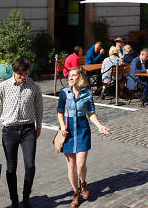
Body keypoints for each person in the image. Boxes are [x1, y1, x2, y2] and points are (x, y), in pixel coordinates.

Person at [0, 57, 43, 208]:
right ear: (14, 71)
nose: (23, 77)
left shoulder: (33, 86)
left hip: (28, 130)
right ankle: (14, 200)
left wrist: (38, 127)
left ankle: (26, 197)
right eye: (20, 74)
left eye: (26, 73)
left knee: (30, 165)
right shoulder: (3, 87)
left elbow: (39, 108)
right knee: (11, 168)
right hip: (9, 131)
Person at [57, 67, 110, 207]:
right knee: (71, 165)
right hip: (67, 131)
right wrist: (62, 125)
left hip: (82, 129)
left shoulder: (87, 93)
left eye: (73, 75)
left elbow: (91, 113)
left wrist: (99, 126)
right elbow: (59, 112)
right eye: (69, 76)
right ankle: (75, 193)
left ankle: (83, 183)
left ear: (80, 77)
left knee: (80, 164)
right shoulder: (64, 93)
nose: (70, 78)